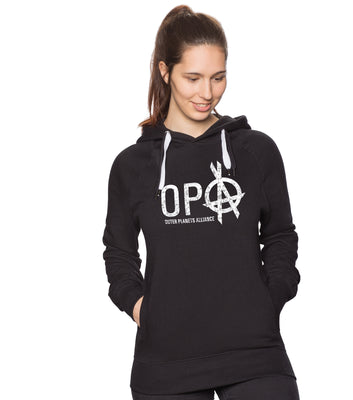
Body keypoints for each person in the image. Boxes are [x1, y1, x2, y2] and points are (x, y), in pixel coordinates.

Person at [102, 5, 301, 400]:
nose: (207, 93)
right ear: (165, 72)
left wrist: (271, 299)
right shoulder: (133, 165)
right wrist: (143, 310)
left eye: (218, 77)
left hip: (254, 353)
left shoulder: (255, 151)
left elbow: (280, 235)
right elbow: (119, 253)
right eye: (192, 78)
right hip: (166, 361)